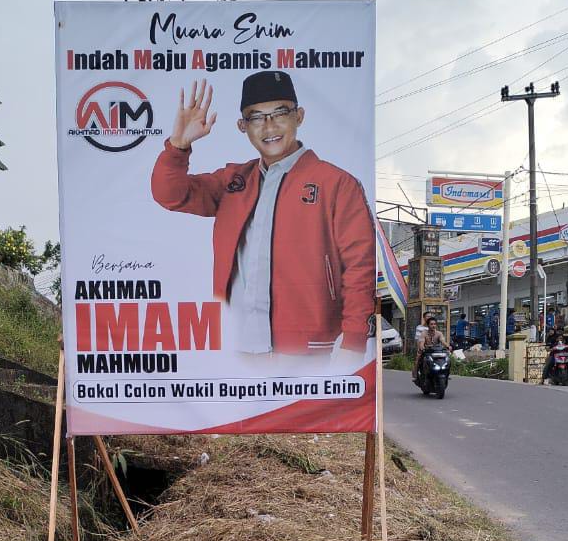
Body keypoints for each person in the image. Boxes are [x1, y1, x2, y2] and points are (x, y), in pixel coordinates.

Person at [150, 73, 375, 364]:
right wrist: (178, 146)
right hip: (236, 347)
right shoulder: (233, 182)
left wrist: (354, 342)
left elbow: (360, 268)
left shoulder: (337, 184)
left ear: (299, 116)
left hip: (310, 350)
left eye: (280, 113)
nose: (269, 126)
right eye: (256, 117)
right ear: (243, 127)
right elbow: (170, 194)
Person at [413, 314, 449, 381]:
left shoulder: (439, 333)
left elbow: (443, 341)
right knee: (418, 358)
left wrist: (447, 346)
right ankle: (416, 374)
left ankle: (446, 373)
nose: (433, 326)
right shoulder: (424, 333)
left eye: (435, 324)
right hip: (426, 351)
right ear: (428, 325)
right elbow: (421, 342)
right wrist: (422, 347)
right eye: (431, 324)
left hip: (437, 352)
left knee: (447, 359)